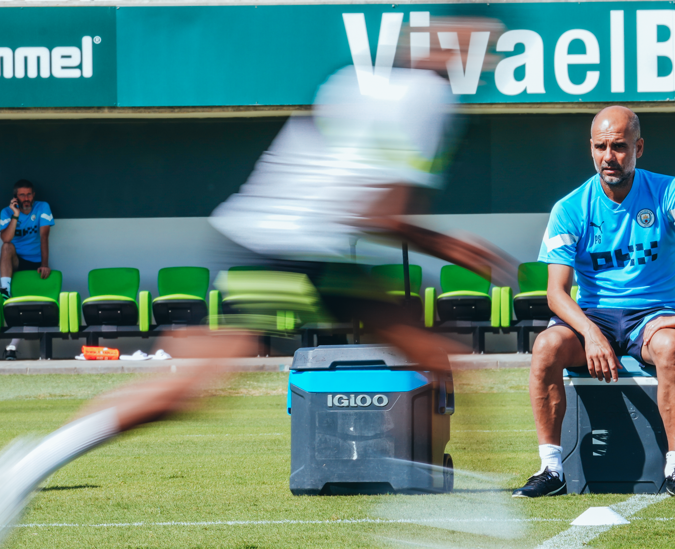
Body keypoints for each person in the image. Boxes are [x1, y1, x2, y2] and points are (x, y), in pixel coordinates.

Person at [0, 18, 514, 545]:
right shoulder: (427, 101)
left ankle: (475, 504)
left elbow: (359, 202)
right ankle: (30, 463)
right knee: (188, 390)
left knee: (435, 358)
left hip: (286, 242)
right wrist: (450, 245)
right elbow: (382, 214)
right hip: (293, 248)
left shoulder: (356, 81)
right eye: (470, 38)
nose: (479, 49)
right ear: (440, 47)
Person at [512, 106, 675, 499]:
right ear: (591, 149)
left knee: (670, 344)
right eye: (601, 147)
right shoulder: (570, 207)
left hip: (654, 314)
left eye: (620, 147)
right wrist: (591, 334)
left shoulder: (668, 190)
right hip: (595, 315)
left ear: (639, 147)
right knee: (545, 346)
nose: (609, 157)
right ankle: (551, 469)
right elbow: (556, 292)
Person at [0, 179, 55, 360]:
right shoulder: (7, 212)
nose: (26, 198)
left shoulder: (42, 207)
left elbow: (44, 237)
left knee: (27, 308)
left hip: (35, 263)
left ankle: (11, 348)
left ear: (34, 195)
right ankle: (4, 290)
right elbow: (6, 238)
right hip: (14, 262)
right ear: (16, 197)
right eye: (22, 195)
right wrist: (15, 215)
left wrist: (45, 264)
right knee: (7, 247)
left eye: (29, 194)